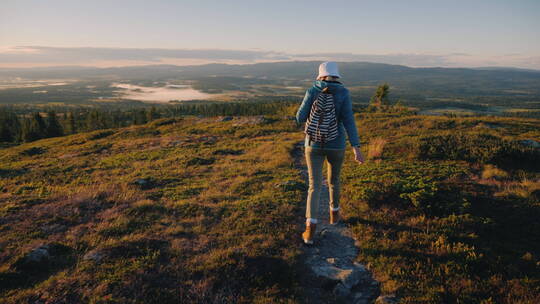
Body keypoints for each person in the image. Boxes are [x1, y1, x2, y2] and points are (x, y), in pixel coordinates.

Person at [296, 61, 364, 245]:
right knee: (334, 180)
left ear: (320, 75)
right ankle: (334, 215)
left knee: (314, 186)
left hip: (313, 145)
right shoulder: (343, 93)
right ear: (336, 75)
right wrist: (356, 147)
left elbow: (300, 118)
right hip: (337, 144)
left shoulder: (312, 91)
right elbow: (349, 121)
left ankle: (310, 231)